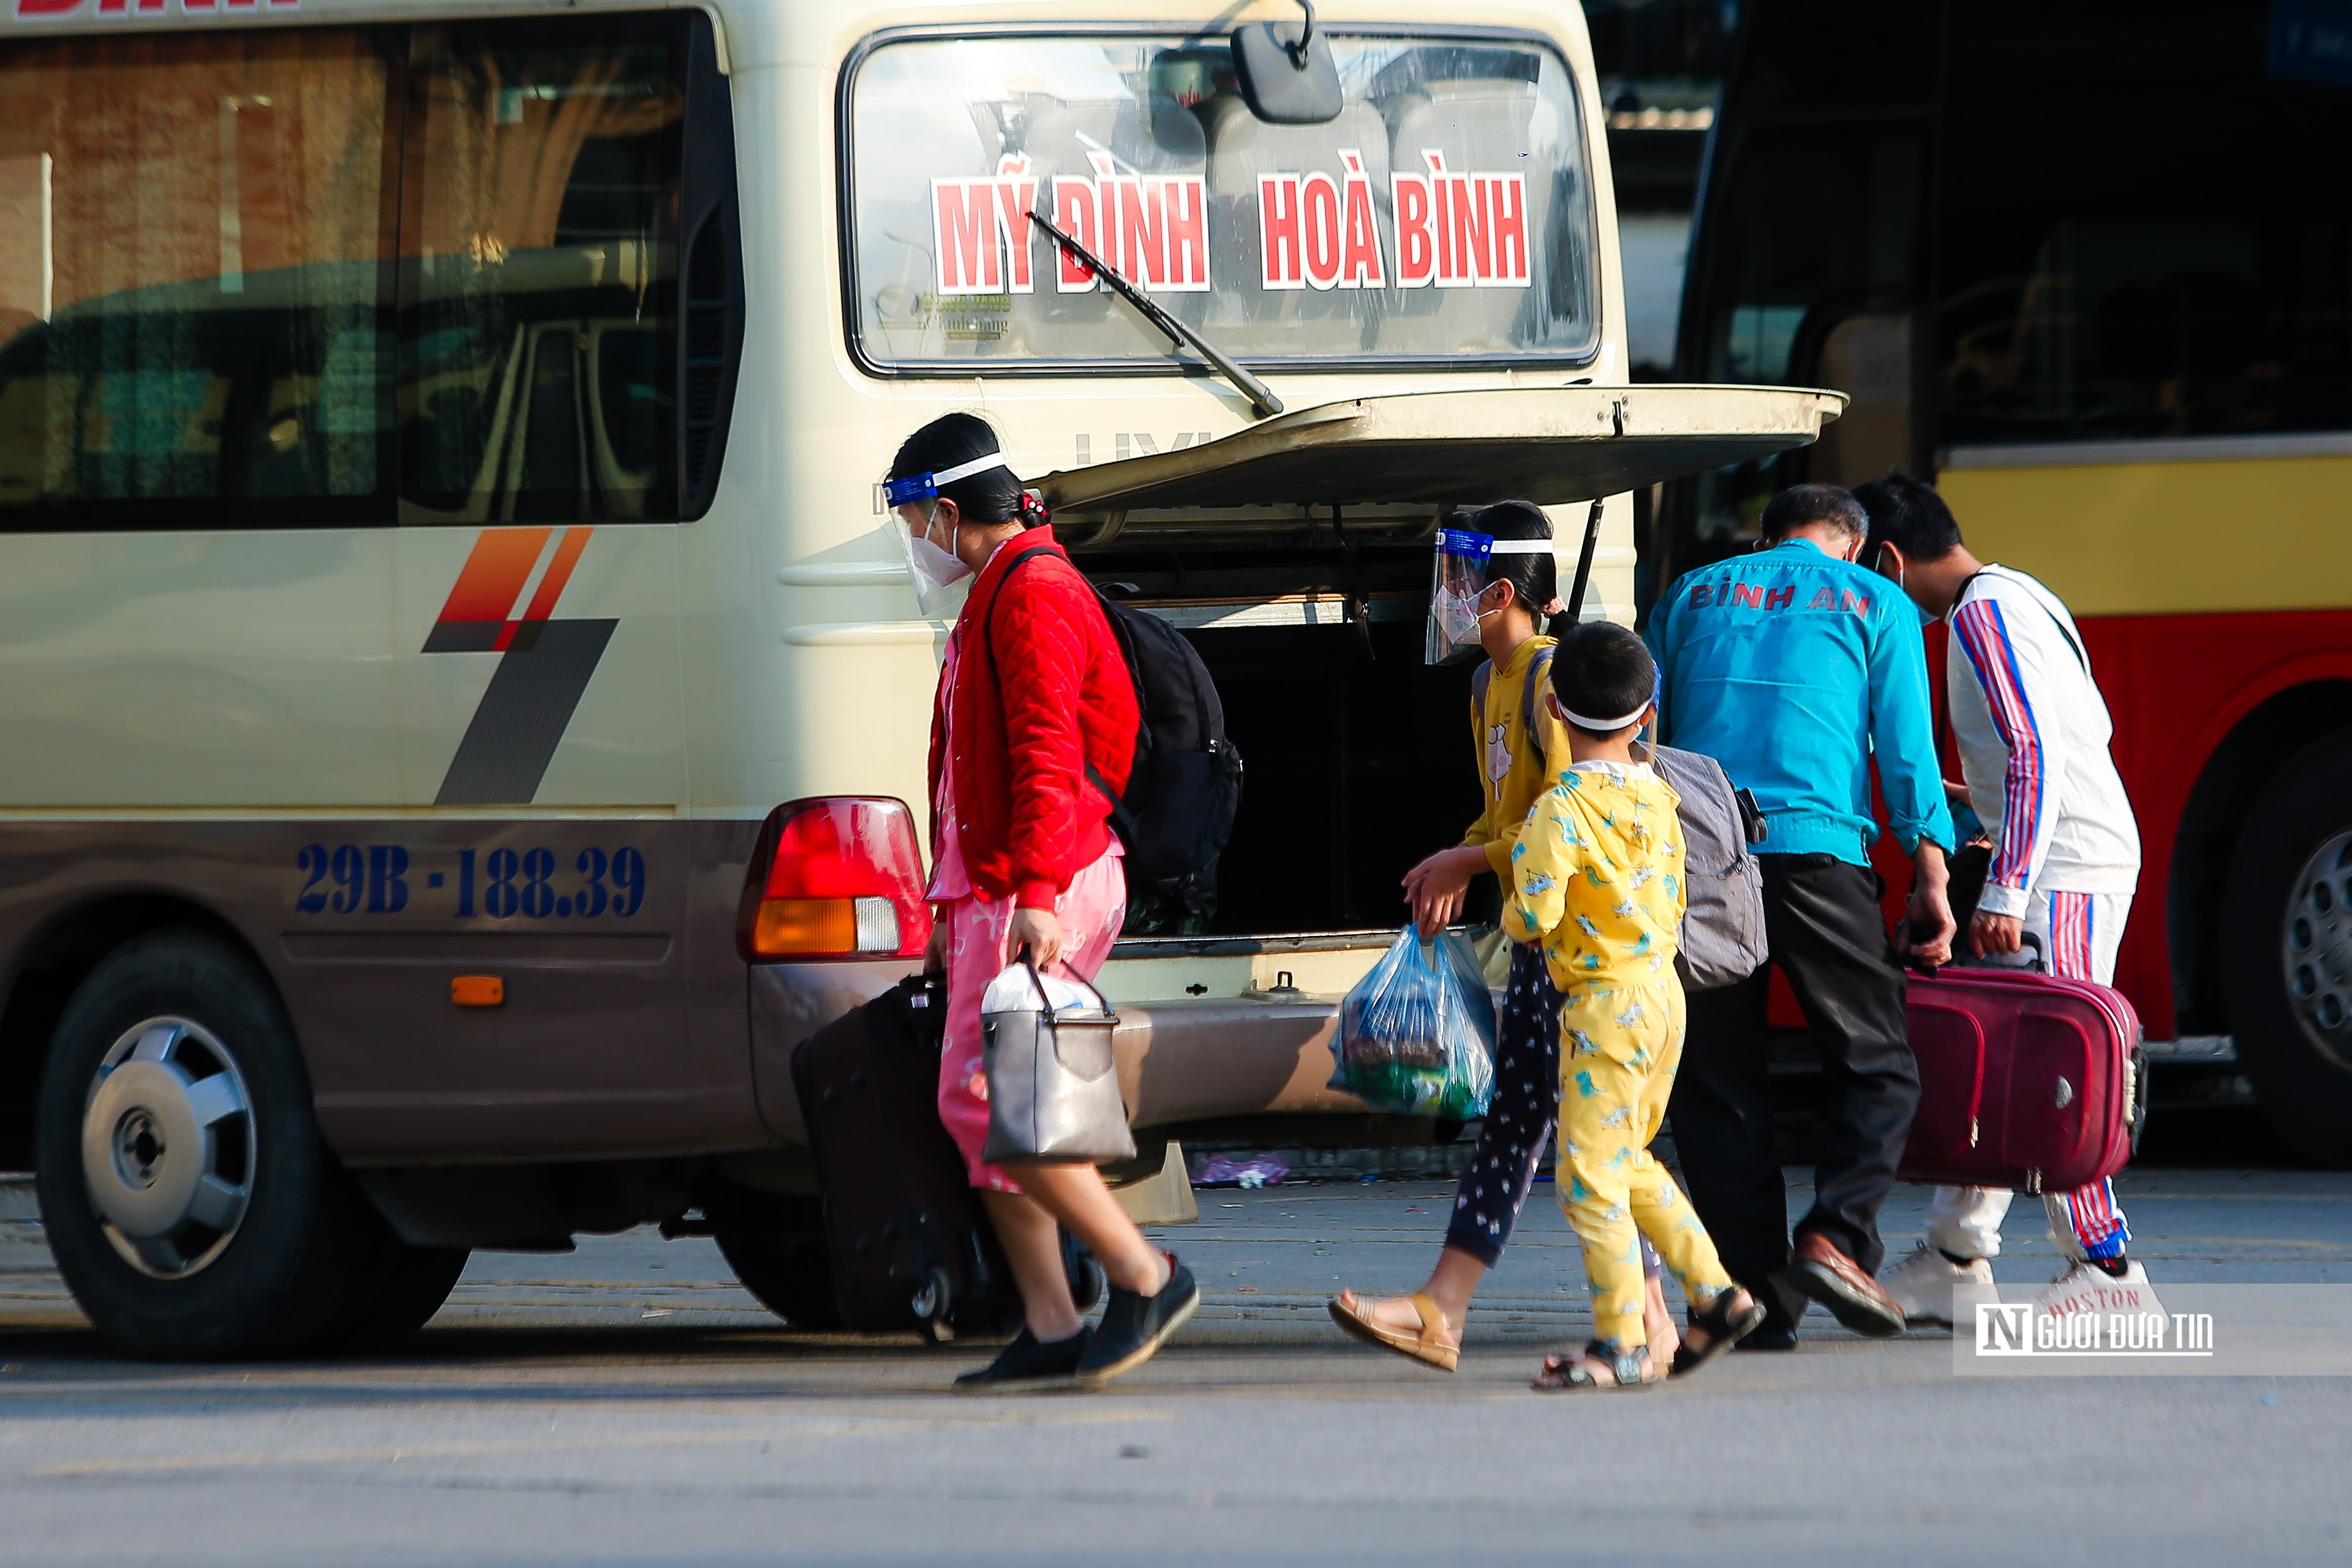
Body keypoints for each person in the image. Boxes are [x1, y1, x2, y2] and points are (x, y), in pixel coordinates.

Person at [1328, 503, 1682, 1373]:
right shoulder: (1488, 683)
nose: (1442, 595)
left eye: (1453, 579)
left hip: (1577, 949)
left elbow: (1572, 814)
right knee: (1535, 1121)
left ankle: (1652, 1317)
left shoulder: (1548, 681)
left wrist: (1467, 860)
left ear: (1496, 590)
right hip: (1544, 945)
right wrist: (1463, 859)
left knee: (1572, 1131)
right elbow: (1508, 816)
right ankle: (1446, 1309)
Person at [888, 413, 1200, 1392]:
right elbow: (962, 770)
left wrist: (1029, 893)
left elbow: (1044, 758)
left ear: (946, 510)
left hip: (1041, 879)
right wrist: (949, 915)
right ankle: (1053, 1319)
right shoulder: (1000, 590)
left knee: (997, 1103)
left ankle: (1146, 1274)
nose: (911, 542)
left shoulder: (1033, 592)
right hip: (991, 888)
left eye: (911, 520)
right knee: (979, 1103)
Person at [1650, 484, 1956, 1345]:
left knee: (1717, 1083)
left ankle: (1754, 1303)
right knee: (1876, 1063)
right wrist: (1930, 870)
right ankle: (1837, 1235)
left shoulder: (1692, 592)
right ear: (1853, 546)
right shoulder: (1874, 601)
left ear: (1770, 537)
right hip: (1818, 855)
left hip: (1699, 857)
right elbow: (1904, 748)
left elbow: (1646, 728)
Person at [1856, 472, 2162, 1324]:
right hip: (2068, 857)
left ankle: (2108, 1272)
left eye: (1864, 572)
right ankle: (1956, 1258)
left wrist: (2008, 884)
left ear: (1889, 556)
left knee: (2057, 1066)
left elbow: (2033, 754)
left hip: (2064, 868)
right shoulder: (2017, 596)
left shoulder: (1985, 614)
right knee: (2001, 1057)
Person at [1509, 621, 1766, 1389]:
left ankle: (1621, 1340)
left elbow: (1534, 915)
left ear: (1553, 711)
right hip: (1664, 1002)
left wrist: (1519, 908)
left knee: (1587, 1176)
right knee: (1630, 1161)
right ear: (1648, 713)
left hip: (1602, 1011)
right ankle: (1718, 1296)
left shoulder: (1561, 807)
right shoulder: (1662, 794)